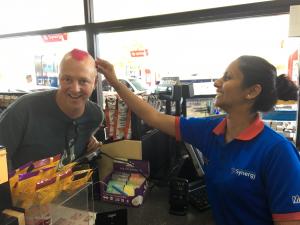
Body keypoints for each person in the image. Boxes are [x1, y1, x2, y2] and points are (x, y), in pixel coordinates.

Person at [96, 56, 300, 225]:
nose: (217, 82)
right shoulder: (210, 131)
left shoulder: (278, 152)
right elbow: (153, 117)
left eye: (227, 77)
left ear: (252, 91)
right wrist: (114, 81)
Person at [0, 48, 104, 170]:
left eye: (83, 81)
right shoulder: (24, 109)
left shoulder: (95, 116)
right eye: (68, 79)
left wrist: (90, 142)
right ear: (59, 78)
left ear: (95, 82)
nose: (75, 89)